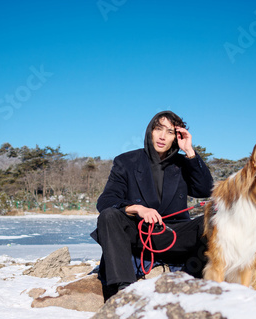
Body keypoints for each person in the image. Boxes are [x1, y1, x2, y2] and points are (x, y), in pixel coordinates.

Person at [90, 110, 214, 301]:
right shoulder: (126, 161)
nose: (163, 136)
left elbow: (205, 189)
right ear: (150, 131)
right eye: (158, 129)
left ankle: (193, 280)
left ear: (177, 137)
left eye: (170, 132)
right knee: (109, 216)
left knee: (212, 222)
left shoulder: (183, 163)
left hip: (174, 233)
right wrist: (137, 209)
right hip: (139, 233)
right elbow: (106, 201)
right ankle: (123, 290)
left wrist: (189, 151)